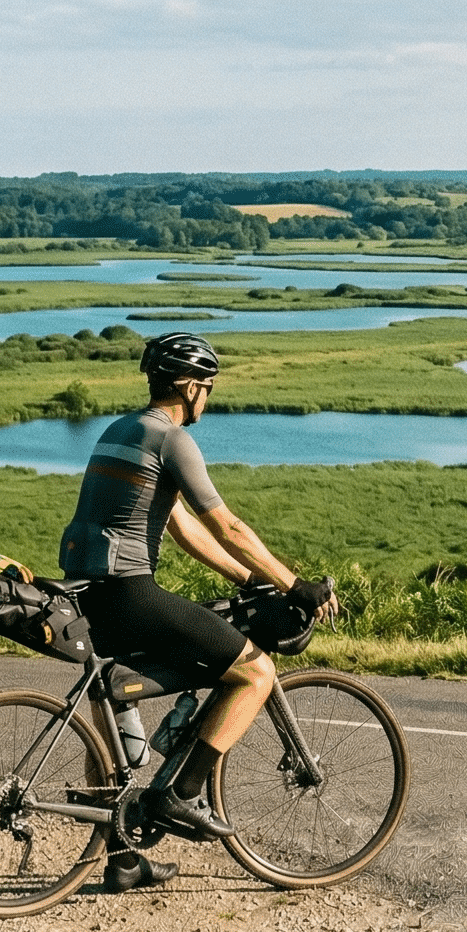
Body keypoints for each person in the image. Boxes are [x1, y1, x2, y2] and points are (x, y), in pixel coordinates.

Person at [59, 332, 332, 891]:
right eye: (206, 387)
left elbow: (180, 526)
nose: (207, 398)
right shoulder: (171, 437)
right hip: (129, 592)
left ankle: (125, 860)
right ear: (188, 387)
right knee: (254, 670)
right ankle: (181, 795)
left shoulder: (121, 429)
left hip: (89, 594)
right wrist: (295, 584)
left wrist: (250, 578)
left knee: (116, 700)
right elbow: (224, 525)